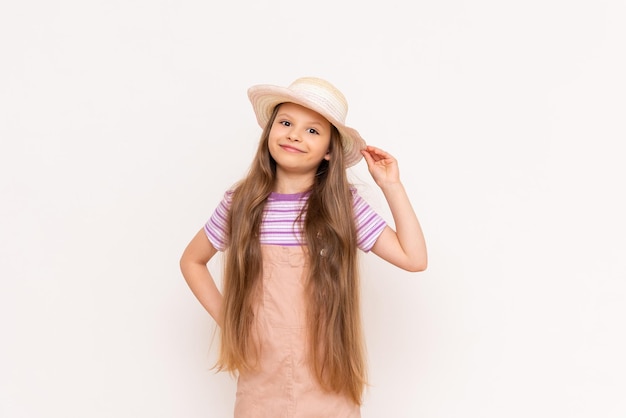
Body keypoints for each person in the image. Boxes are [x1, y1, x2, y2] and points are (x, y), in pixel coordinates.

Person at [179, 76, 427, 417]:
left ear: (329, 151)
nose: (295, 134)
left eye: (313, 130)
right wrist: (231, 321)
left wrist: (391, 185)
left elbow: (413, 258)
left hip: (328, 368)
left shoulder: (343, 206)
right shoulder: (241, 203)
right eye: (285, 123)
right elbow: (192, 261)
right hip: (261, 369)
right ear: (269, 134)